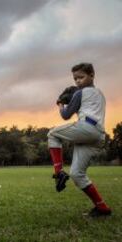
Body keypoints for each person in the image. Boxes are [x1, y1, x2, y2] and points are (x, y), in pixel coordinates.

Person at [48, 63, 112, 217]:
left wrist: (61, 104)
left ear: (92, 75)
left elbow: (65, 115)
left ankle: (59, 173)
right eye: (75, 78)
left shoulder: (79, 94)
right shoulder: (100, 94)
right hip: (98, 135)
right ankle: (102, 208)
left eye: (81, 77)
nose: (77, 81)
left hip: (87, 128)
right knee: (77, 174)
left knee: (52, 134)